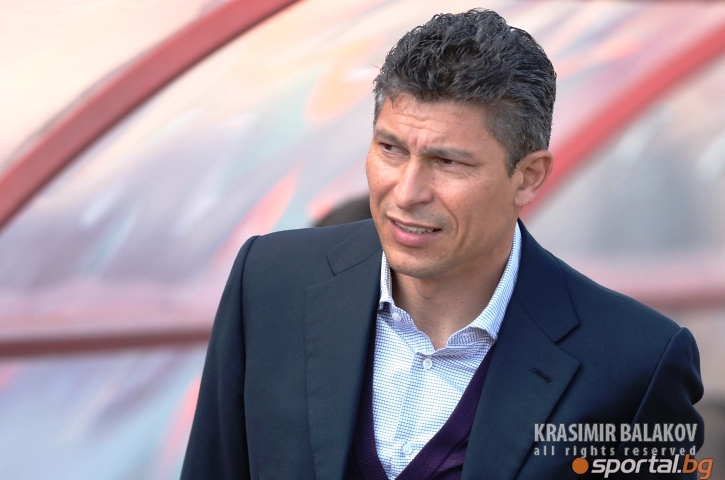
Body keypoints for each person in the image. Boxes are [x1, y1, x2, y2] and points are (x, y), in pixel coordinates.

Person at [181, 9, 704, 479]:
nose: (407, 192)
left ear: (528, 177)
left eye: (448, 161)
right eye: (390, 149)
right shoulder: (270, 282)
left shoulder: (635, 363)